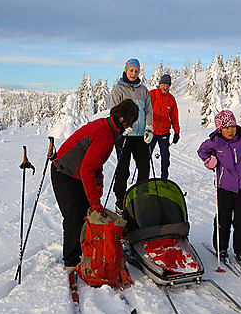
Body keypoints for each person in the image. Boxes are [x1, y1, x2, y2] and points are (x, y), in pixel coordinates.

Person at [51, 99, 139, 267]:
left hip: (74, 173)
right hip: (64, 172)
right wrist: (95, 202)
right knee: (74, 218)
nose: (130, 127)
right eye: (130, 123)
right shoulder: (105, 134)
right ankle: (71, 261)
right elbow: (87, 169)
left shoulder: (108, 127)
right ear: (123, 119)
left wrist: (97, 189)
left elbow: (96, 164)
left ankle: (84, 250)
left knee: (84, 214)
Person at [197, 110, 241, 266]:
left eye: (233, 126)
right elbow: (202, 151)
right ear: (220, 129)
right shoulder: (214, 142)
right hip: (223, 186)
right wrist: (209, 161)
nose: (231, 130)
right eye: (227, 128)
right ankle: (221, 248)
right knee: (223, 219)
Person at [109, 58, 154, 212]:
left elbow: (148, 110)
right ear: (126, 70)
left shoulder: (143, 90)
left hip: (141, 136)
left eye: (136, 71)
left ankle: (142, 196)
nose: (134, 73)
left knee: (144, 167)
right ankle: (120, 199)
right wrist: (122, 127)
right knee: (123, 168)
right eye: (131, 70)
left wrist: (149, 127)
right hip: (125, 136)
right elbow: (114, 112)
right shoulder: (118, 90)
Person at [148, 74, 181, 180]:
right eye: (163, 84)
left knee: (165, 156)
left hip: (164, 133)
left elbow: (174, 117)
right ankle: (144, 178)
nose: (165, 87)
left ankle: (164, 179)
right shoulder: (151, 94)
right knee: (145, 156)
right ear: (160, 84)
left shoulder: (171, 99)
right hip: (151, 132)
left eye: (167, 85)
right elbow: (143, 110)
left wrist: (177, 132)